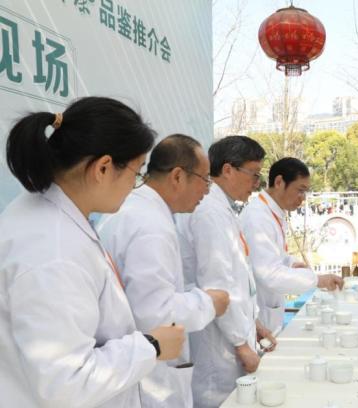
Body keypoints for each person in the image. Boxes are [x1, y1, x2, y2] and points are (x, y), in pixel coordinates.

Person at [0, 97, 185, 407]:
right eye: (136, 173)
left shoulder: (44, 214)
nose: (135, 185)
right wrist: (151, 346)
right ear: (103, 168)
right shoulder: (53, 250)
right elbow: (66, 383)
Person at [97, 134, 231, 407]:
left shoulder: (134, 209)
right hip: (148, 380)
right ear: (178, 176)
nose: (207, 190)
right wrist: (209, 303)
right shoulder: (150, 225)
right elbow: (155, 313)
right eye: (205, 179)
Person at [177, 135, 277, 408]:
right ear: (228, 169)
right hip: (219, 341)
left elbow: (238, 278)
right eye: (253, 174)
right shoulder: (209, 212)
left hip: (234, 331)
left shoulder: (224, 209)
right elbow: (217, 285)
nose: (256, 183)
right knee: (220, 399)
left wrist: (253, 324)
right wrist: (241, 344)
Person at [240, 157, 343, 331]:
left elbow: (275, 255)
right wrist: (318, 280)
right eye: (300, 190)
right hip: (258, 312)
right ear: (279, 182)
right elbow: (269, 273)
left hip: (269, 309)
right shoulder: (257, 217)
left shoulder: (272, 212)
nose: (302, 198)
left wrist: (291, 263)